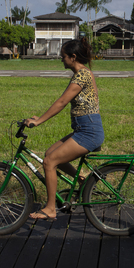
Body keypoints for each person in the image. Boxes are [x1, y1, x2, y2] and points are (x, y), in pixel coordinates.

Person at [25, 37, 104, 221]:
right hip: (84, 128)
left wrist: (39, 122)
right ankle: (84, 181)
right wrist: (39, 117)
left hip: (89, 131)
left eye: (63, 56)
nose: (61, 59)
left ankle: (50, 208)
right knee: (50, 153)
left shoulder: (82, 75)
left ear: (73, 57)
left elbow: (61, 102)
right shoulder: (84, 73)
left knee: (49, 162)